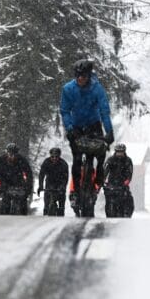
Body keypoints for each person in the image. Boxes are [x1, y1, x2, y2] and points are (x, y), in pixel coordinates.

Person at [60, 59, 114, 198]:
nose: (80, 79)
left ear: (89, 76)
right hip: (76, 126)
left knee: (100, 152)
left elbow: (104, 111)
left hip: (93, 125)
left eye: (83, 76)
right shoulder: (68, 89)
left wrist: (109, 131)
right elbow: (65, 111)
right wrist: (70, 128)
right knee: (77, 158)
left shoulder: (97, 89)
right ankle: (76, 190)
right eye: (77, 76)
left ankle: (99, 172)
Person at [0, 143, 34, 214]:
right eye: (9, 153)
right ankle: (3, 218)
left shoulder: (22, 160)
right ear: (6, 152)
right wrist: (1, 185)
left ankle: (23, 217)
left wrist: (28, 186)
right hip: (5, 182)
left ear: (16, 153)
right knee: (5, 201)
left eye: (13, 154)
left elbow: (29, 174)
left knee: (23, 200)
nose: (11, 155)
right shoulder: (1, 160)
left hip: (19, 182)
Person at [104, 143, 134, 216]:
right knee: (108, 198)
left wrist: (127, 181)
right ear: (115, 151)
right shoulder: (110, 160)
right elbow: (105, 170)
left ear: (124, 152)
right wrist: (104, 180)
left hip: (122, 184)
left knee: (128, 198)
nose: (119, 154)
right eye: (118, 152)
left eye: (121, 152)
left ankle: (126, 213)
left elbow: (130, 173)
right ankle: (109, 212)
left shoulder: (128, 160)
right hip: (111, 184)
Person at [37, 147, 69, 216]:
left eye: (56, 157)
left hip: (60, 184)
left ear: (59, 156)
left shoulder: (63, 164)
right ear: (50, 156)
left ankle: (60, 214)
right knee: (46, 205)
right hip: (49, 183)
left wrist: (62, 187)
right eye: (52, 157)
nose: (54, 158)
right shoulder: (46, 162)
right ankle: (46, 214)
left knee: (61, 207)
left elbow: (65, 178)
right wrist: (40, 186)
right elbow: (41, 175)